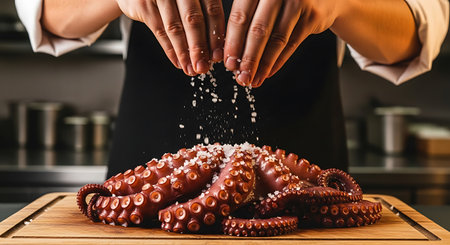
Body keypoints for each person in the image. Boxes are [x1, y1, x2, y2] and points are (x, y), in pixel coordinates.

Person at [16, 0, 448, 178]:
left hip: (306, 182)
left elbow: (415, 36)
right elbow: (46, 13)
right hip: (147, 173)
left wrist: (342, 3)